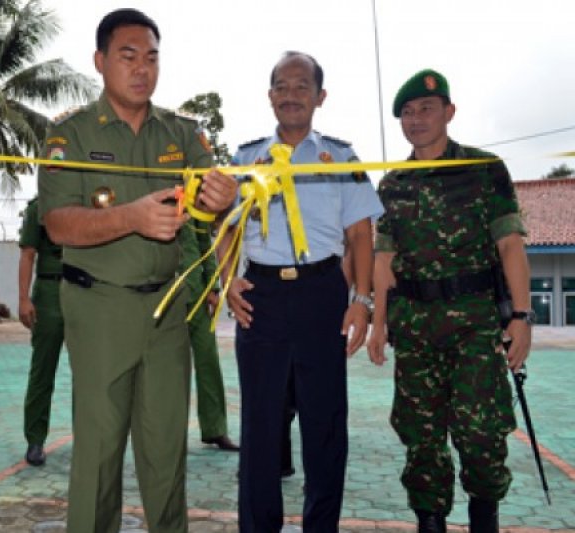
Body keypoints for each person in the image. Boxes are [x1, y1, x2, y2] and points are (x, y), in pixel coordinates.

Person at [38, 9, 237, 532]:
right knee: (99, 457)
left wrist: (222, 199)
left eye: (151, 57)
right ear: (101, 62)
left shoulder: (183, 134)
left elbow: (209, 209)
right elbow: (57, 224)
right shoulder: (70, 137)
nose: (142, 68)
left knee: (166, 453)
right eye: (128, 56)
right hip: (100, 306)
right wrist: (130, 217)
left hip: (167, 310)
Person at [221, 51, 383, 532]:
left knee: (325, 428)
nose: (291, 95)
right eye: (281, 86)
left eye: (301, 86)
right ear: (270, 96)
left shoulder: (343, 159)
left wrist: (362, 301)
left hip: (323, 297)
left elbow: (360, 237)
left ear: (320, 96)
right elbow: (227, 229)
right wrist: (229, 280)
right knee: (261, 431)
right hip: (262, 299)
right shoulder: (246, 159)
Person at [367, 69, 532, 533]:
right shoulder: (394, 184)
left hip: (476, 325)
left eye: (425, 109)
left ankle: (485, 517)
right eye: (407, 112)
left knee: (480, 434)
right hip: (415, 326)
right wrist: (379, 323)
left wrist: (521, 316)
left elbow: (510, 245)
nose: (415, 119)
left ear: (449, 113)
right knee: (420, 440)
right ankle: (430, 522)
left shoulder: (484, 170)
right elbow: (384, 259)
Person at [180, 220, 238, 451]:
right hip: (163, 294)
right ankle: (169, 432)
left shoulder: (191, 193)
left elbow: (205, 243)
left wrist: (212, 287)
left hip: (197, 294)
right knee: (171, 370)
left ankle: (215, 429)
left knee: (208, 360)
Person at [17, 195, 65, 466]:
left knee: (90, 374)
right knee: (42, 369)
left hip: (86, 290)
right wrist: (24, 299)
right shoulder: (39, 207)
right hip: (49, 292)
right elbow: (28, 254)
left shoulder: (89, 200)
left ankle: (89, 438)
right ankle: (35, 439)